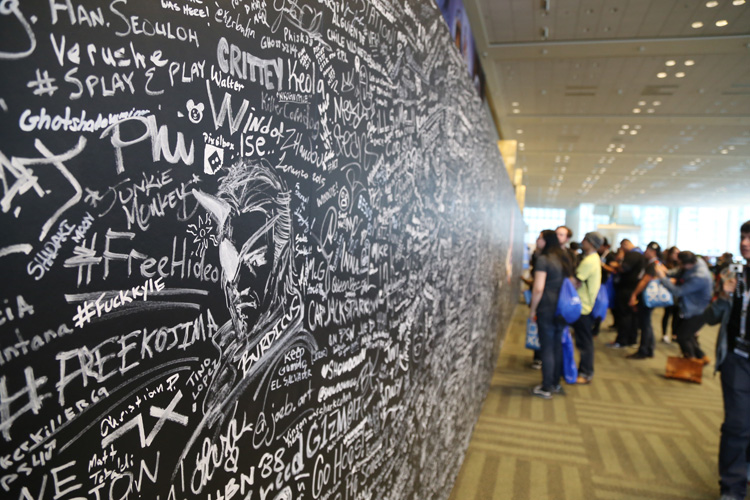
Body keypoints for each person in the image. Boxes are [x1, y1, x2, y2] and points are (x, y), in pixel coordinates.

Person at [703, 220, 750, 500]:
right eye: (743, 236)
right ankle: (732, 487)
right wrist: (723, 295)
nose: (745, 242)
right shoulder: (735, 276)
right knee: (737, 423)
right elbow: (710, 318)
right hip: (738, 360)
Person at [529, 230, 574, 399]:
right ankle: (555, 383)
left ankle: (546, 387)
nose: (537, 240)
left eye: (540, 238)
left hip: (547, 307)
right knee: (557, 345)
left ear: (546, 241)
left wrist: (533, 309)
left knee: (546, 347)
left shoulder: (543, 259)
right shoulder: (564, 258)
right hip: (562, 308)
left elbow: (538, 288)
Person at [655, 250, 713, 363]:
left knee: (682, 336)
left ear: (687, 263)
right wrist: (667, 273)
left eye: (680, 263)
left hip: (698, 310)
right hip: (692, 308)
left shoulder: (699, 276)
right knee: (688, 335)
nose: (679, 266)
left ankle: (691, 362)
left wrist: (663, 278)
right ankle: (702, 358)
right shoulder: (696, 262)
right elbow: (680, 271)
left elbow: (678, 292)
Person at [572, 232, 603, 384]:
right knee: (584, 341)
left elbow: (575, 281)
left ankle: (585, 373)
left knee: (584, 342)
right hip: (585, 305)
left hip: (582, 306)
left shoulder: (589, 261)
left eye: (585, 240)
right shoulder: (593, 259)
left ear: (591, 243)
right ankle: (584, 371)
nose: (582, 242)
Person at [627, 241, 662, 359]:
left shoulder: (653, 265)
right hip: (648, 298)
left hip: (646, 297)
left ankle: (644, 350)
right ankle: (649, 348)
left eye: (647, 250)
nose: (645, 252)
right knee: (647, 323)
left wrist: (634, 295)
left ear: (652, 252)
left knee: (645, 324)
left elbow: (644, 281)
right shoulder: (655, 264)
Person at [609, 239, 646, 348]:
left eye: (622, 248)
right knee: (632, 315)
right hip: (634, 289)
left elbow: (624, 268)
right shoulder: (640, 254)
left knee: (624, 315)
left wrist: (617, 263)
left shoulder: (633, 254)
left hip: (627, 289)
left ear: (625, 245)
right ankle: (631, 339)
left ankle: (622, 340)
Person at [662, 246, 680, 343]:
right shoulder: (665, 264)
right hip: (668, 292)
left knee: (676, 314)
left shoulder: (680, 265)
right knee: (667, 313)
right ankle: (664, 334)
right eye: (675, 253)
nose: (677, 255)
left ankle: (674, 334)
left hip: (677, 293)